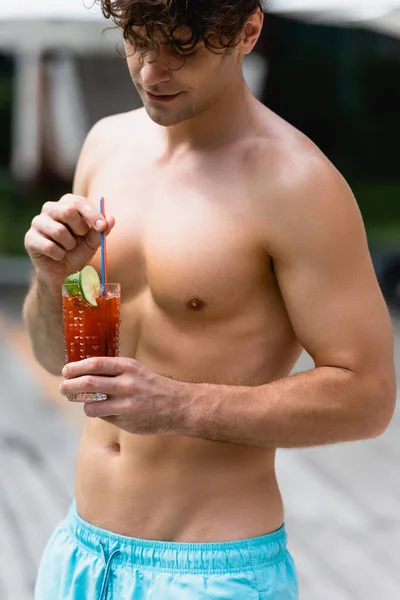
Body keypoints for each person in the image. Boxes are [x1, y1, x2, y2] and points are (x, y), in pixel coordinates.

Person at [23, 1, 396, 599]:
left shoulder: (296, 183)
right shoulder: (105, 146)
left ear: (248, 31)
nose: (152, 70)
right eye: (139, 40)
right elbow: (52, 356)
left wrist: (179, 405)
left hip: (209, 571)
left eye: (183, 46)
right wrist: (52, 279)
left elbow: (369, 397)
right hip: (79, 556)